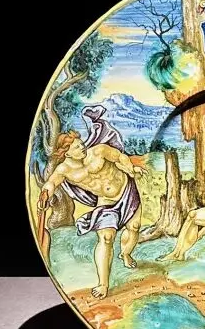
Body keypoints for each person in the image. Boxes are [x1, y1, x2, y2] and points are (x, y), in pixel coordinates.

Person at [38, 108, 143, 299]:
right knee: (106, 238)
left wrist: (131, 169)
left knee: (134, 228)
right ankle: (103, 284)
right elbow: (51, 183)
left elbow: (120, 157)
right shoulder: (64, 170)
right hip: (106, 203)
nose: (82, 147)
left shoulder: (99, 151)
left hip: (126, 191)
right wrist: (45, 193)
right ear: (66, 154)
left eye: (81, 144)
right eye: (77, 147)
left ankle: (126, 254)